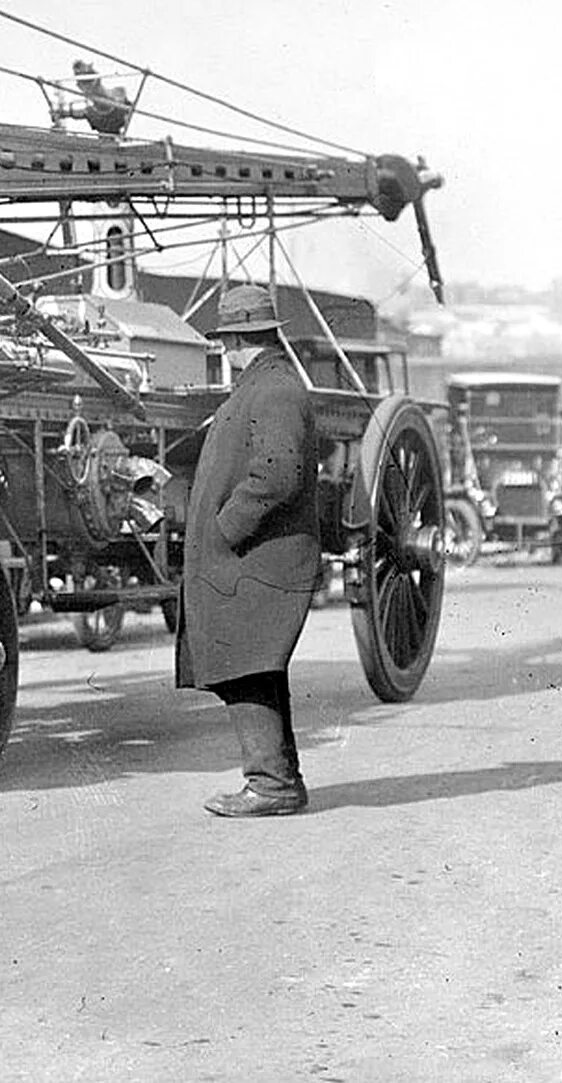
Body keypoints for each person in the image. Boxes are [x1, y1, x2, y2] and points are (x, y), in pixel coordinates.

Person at [176, 283, 318, 818]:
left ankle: (271, 785)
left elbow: (279, 473)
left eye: (226, 343)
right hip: (253, 558)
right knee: (255, 665)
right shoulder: (268, 384)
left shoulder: (273, 389)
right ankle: (281, 781)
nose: (226, 355)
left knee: (247, 665)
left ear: (238, 339)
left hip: (255, 557)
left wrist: (227, 526)